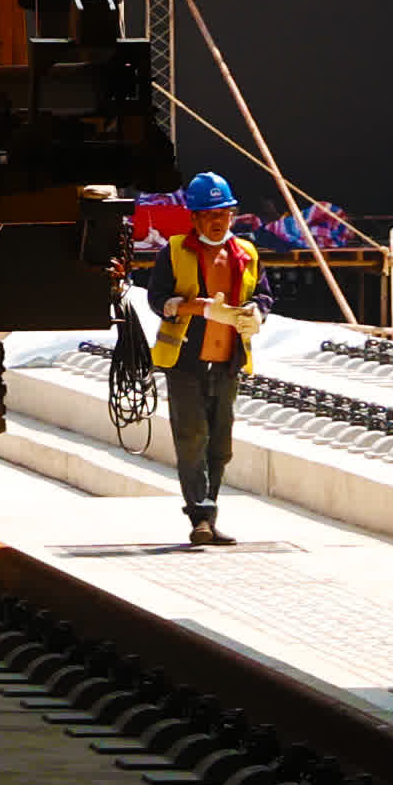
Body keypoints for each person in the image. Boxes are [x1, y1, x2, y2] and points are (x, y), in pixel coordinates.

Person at [129, 170, 264, 543]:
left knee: (220, 445)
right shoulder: (173, 252)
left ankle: (210, 510)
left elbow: (263, 294)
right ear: (195, 218)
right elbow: (157, 299)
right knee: (192, 439)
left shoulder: (247, 254)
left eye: (223, 214)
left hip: (227, 363)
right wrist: (192, 307)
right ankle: (200, 516)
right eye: (210, 215)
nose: (218, 222)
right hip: (186, 364)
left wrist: (256, 313)